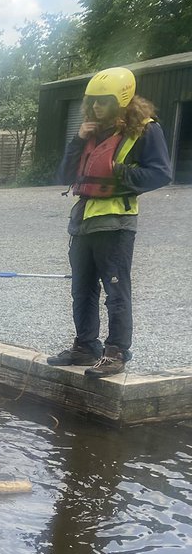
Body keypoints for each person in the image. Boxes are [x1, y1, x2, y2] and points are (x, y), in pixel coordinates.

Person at [47, 67, 172, 378]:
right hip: (84, 222)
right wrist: (77, 140)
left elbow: (161, 173)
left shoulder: (144, 130)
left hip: (116, 223)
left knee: (115, 290)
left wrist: (119, 172)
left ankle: (116, 351)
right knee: (82, 289)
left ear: (121, 101)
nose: (96, 107)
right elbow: (64, 175)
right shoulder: (89, 131)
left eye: (104, 102)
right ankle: (86, 347)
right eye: (93, 102)